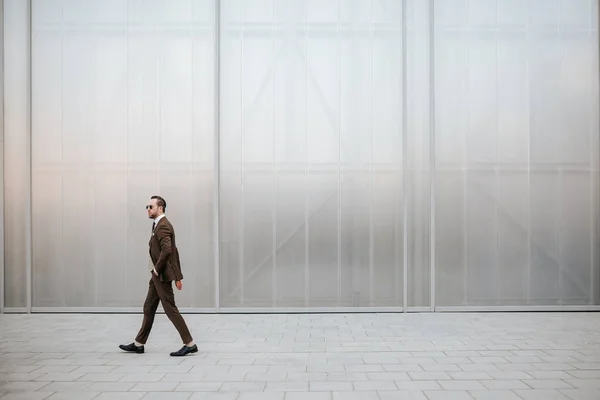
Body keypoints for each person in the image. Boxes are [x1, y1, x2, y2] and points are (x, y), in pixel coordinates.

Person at [119, 195, 198, 357]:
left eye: (151, 207)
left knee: (170, 309)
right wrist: (175, 275)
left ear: (160, 208)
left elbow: (168, 250)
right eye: (147, 207)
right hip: (156, 276)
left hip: (161, 275)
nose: (148, 210)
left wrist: (159, 270)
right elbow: (173, 251)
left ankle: (190, 344)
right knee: (149, 307)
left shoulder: (163, 226)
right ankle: (139, 344)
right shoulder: (158, 225)